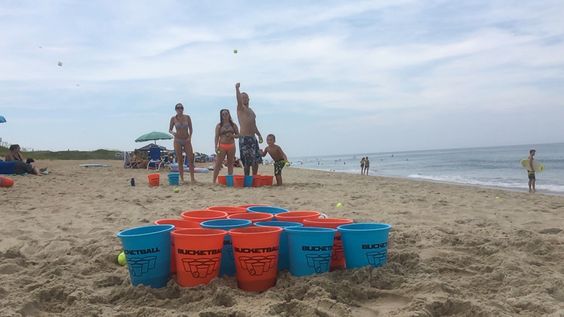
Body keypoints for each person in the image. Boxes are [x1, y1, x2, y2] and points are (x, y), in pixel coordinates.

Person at [235, 83, 263, 176]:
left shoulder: (251, 111)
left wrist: (259, 135)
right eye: (242, 97)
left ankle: (254, 177)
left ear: (249, 99)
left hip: (253, 138)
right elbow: (238, 100)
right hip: (245, 138)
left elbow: (253, 125)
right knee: (247, 162)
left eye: (246, 97)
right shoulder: (240, 108)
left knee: (256, 160)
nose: (244, 99)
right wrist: (237, 89)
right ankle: (247, 179)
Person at [169, 103, 195, 183]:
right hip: (177, 140)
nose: (180, 109)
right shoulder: (173, 118)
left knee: (190, 158)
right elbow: (170, 129)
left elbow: (191, 129)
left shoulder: (187, 117)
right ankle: (182, 179)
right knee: (180, 160)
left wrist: (190, 137)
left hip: (186, 140)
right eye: (178, 108)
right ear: (176, 109)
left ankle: (192, 178)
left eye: (181, 108)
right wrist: (173, 133)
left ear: (183, 109)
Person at [213, 109, 239, 183]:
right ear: (221, 115)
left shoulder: (233, 125)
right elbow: (216, 136)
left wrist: (232, 135)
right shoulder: (219, 125)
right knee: (218, 163)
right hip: (222, 146)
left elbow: (238, 135)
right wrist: (216, 146)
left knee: (230, 163)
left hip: (231, 145)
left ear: (229, 114)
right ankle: (214, 181)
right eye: (223, 114)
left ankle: (229, 181)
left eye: (226, 114)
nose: (225, 115)